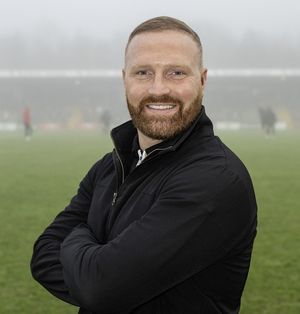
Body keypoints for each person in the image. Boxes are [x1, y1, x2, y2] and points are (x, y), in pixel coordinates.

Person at [31, 16, 257, 314]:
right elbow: (43, 256)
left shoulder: (216, 180)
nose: (159, 88)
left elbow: (99, 288)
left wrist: (81, 236)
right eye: (143, 72)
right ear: (125, 78)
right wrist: (95, 265)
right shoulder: (110, 166)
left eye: (176, 72)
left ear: (202, 80)